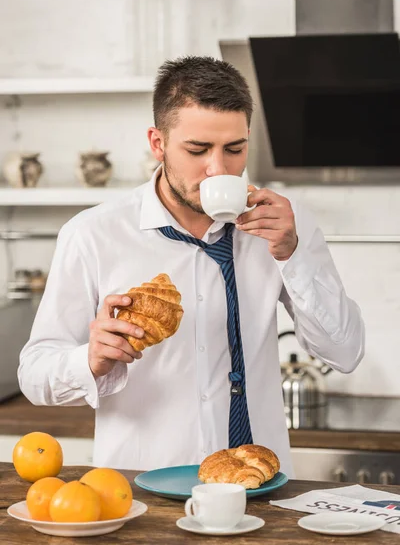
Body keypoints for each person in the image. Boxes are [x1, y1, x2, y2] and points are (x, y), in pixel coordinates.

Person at [18, 56, 365, 476]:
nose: (217, 169)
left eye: (234, 149)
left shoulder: (286, 226)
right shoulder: (93, 234)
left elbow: (345, 352)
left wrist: (293, 254)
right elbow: (34, 376)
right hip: (140, 493)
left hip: (259, 492)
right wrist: (88, 360)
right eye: (197, 150)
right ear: (157, 142)